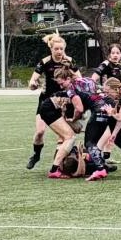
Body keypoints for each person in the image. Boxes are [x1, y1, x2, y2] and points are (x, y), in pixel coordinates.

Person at [58, 69, 121, 181]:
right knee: (98, 141)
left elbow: (80, 108)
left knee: (88, 142)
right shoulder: (87, 80)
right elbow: (97, 90)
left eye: (61, 83)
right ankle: (103, 164)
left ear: (68, 79)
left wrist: (73, 119)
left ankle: (98, 166)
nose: (61, 86)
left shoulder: (71, 90)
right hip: (104, 106)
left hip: (94, 109)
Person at [26, 34, 80, 173]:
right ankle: (36, 155)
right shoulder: (45, 62)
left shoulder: (69, 61)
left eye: (61, 49)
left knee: (63, 136)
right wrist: (33, 84)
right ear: (51, 49)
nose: (59, 51)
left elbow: (80, 79)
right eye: (56, 49)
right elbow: (33, 80)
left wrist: (73, 79)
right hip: (46, 101)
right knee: (40, 132)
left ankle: (59, 164)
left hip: (63, 101)